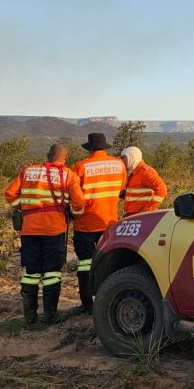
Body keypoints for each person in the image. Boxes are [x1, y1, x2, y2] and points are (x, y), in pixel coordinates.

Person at [4, 143, 85, 325]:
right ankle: (50, 316)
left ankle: (30, 317)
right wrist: (74, 215)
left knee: (31, 272)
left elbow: (9, 193)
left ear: (48, 155)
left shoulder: (28, 171)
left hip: (29, 229)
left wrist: (23, 206)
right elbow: (79, 202)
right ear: (65, 158)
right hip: (54, 229)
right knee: (52, 272)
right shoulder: (68, 174)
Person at [72, 133, 127, 313]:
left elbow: (76, 197)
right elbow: (120, 189)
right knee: (109, 263)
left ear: (89, 148)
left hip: (86, 224)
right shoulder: (119, 164)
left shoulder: (80, 167)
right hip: (110, 223)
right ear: (104, 147)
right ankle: (109, 301)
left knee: (85, 264)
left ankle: (87, 304)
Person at [120, 146, 169, 215]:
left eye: (124, 158)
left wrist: (149, 210)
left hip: (142, 216)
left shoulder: (145, 172)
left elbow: (162, 189)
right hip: (132, 214)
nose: (122, 161)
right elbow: (138, 194)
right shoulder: (132, 172)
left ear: (132, 157)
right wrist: (122, 194)